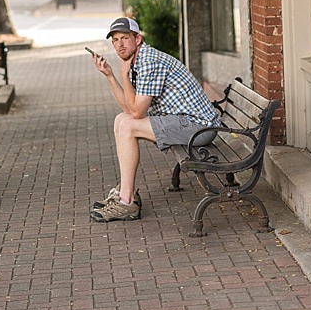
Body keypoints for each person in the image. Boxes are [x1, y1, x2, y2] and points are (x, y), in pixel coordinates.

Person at [88, 15, 221, 222]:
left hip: (199, 127)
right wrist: (110, 76)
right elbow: (129, 108)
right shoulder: (138, 60)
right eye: (115, 40)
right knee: (121, 120)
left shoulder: (149, 61)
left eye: (124, 38)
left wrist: (124, 75)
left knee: (128, 126)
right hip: (185, 121)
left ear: (137, 39)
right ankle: (126, 193)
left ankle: (126, 202)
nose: (119, 45)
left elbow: (137, 113)